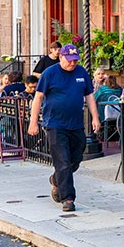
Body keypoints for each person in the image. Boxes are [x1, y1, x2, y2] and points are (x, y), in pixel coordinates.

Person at [28, 44, 100, 213]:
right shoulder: (49, 74)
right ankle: (67, 198)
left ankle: (56, 179)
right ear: (61, 57)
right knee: (63, 162)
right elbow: (38, 98)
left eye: (75, 60)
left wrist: (95, 117)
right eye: (69, 60)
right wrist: (33, 122)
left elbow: (89, 96)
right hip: (55, 124)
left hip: (75, 124)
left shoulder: (81, 73)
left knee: (76, 157)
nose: (72, 63)